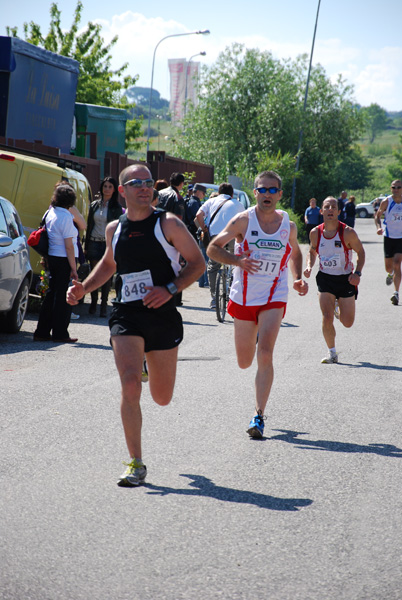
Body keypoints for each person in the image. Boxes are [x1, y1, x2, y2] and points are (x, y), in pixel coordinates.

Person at [67, 164, 205, 487]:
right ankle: (136, 462)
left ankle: (148, 359)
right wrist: (83, 288)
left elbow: (197, 263)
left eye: (148, 183)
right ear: (123, 189)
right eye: (137, 183)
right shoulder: (116, 228)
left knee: (162, 397)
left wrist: (170, 288)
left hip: (162, 314)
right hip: (126, 312)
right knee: (131, 384)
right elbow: (109, 264)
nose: (145, 188)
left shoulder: (167, 223)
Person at [208, 171, 308, 438]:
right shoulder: (243, 220)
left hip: (275, 295)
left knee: (265, 353)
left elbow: (295, 253)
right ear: (255, 193)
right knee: (244, 361)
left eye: (272, 190)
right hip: (243, 296)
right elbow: (213, 248)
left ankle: (258, 415)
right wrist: (238, 261)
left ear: (280, 194)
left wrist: (297, 278)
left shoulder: (288, 223)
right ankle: (253, 335)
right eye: (262, 190)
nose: (267, 194)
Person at [304, 196, 365, 364]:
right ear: (321, 211)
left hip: (345, 279)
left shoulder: (347, 232)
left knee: (347, 322)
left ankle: (339, 304)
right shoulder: (315, 232)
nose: (330, 209)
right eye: (326, 207)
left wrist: (357, 274)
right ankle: (332, 352)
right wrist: (309, 266)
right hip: (325, 279)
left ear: (338, 212)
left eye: (333, 207)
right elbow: (312, 251)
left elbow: (361, 253)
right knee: (326, 316)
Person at [33, 183, 81, 343]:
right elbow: (69, 245)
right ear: (70, 200)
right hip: (64, 259)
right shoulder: (66, 217)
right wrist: (74, 268)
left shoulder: (50, 212)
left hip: (52, 257)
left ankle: (42, 331)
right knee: (63, 298)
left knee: (51, 294)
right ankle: (60, 333)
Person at [194, 183, 244, 309]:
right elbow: (245, 220)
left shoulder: (211, 201)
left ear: (220, 192)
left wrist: (204, 229)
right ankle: (234, 292)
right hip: (232, 237)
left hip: (216, 237)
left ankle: (214, 299)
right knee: (236, 263)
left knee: (213, 266)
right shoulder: (238, 204)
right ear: (232, 194)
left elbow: (198, 215)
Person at [85, 176, 123, 317]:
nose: (107, 189)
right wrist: (86, 244)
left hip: (108, 244)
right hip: (94, 242)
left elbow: (119, 228)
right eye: (105, 186)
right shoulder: (94, 205)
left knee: (107, 275)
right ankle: (94, 302)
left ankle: (104, 305)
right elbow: (89, 226)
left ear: (114, 190)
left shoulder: (117, 208)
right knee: (94, 274)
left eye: (110, 187)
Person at [374, 180, 402, 305]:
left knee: (397, 264)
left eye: (398, 187)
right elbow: (378, 215)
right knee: (389, 267)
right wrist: (378, 227)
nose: (396, 189)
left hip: (400, 238)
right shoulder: (387, 201)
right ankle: (390, 274)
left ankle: (396, 293)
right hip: (389, 237)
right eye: (393, 187)